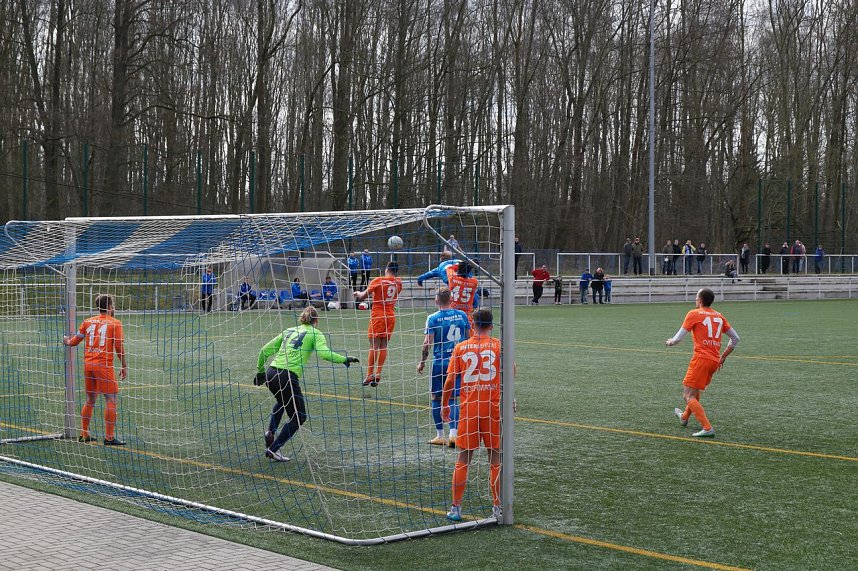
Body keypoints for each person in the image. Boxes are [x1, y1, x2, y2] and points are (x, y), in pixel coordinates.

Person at [255, 307, 359, 462]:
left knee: (282, 402)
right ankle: (272, 449)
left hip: (271, 373)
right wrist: (344, 359)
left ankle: (270, 431)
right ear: (316, 321)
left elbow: (264, 351)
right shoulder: (315, 333)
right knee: (299, 417)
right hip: (287, 376)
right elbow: (324, 354)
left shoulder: (289, 330)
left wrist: (260, 372)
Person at [442, 308, 514, 521]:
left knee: (464, 457)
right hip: (492, 408)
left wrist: (445, 404)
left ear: (472, 324)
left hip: (469, 409)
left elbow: (449, 381)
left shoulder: (461, 347)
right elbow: (512, 371)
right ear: (491, 325)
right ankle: (498, 507)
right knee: (495, 457)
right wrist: (510, 397)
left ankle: (456, 508)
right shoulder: (499, 346)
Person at [665, 288, 740, 438]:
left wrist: (670, 342)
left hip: (701, 359)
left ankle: (707, 427)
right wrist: (723, 356)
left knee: (687, 395)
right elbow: (735, 338)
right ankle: (684, 417)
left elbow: (678, 338)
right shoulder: (719, 316)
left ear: (700, 300)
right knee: (695, 392)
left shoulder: (694, 313)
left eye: (696, 297)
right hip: (714, 361)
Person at [62, 294, 128, 446]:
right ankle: (109, 437)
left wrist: (66, 340)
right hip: (104, 366)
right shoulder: (115, 323)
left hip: (88, 365)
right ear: (110, 307)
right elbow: (118, 347)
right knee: (111, 399)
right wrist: (124, 365)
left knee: (90, 400)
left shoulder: (87, 321)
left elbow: (73, 342)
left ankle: (84, 434)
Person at [417, 288, 470, 447]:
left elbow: (427, 344)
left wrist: (422, 362)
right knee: (453, 398)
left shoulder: (432, 318)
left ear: (436, 301)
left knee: (436, 398)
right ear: (451, 300)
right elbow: (467, 338)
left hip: (440, 363)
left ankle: (440, 435)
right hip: (458, 361)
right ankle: (454, 435)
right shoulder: (462, 315)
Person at [354, 261, 403, 386]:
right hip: (391, 316)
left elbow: (363, 296)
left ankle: (369, 374)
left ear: (387, 269)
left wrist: (357, 294)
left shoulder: (378, 280)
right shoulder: (399, 282)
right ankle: (378, 374)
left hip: (378, 316)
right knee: (384, 345)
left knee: (374, 345)